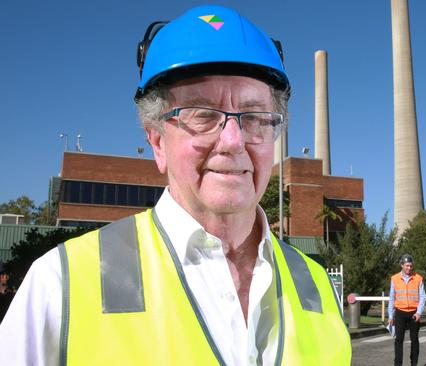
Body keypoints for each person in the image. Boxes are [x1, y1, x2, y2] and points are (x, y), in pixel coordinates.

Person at [0, 5, 351, 365]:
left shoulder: (318, 287)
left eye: (255, 118)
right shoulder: (61, 287)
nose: (232, 140)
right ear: (157, 142)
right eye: (203, 115)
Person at [388, 254, 426, 366]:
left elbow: (422, 297)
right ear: (402, 265)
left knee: (414, 340)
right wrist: (390, 316)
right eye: (407, 266)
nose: (409, 268)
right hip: (400, 312)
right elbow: (391, 297)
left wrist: (419, 312)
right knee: (399, 340)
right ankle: (398, 364)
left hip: (414, 313)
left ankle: (414, 363)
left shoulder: (418, 278)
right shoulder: (394, 279)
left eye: (411, 266)